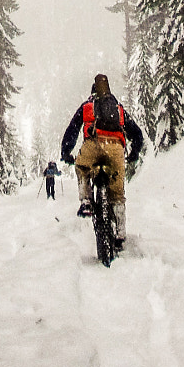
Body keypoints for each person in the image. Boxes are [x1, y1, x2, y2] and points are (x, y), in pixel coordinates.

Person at [59, 73, 145, 246]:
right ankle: (120, 233)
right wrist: (134, 153)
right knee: (118, 194)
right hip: (116, 149)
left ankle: (86, 201)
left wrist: (66, 152)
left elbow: (72, 131)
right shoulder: (118, 108)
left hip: (94, 144)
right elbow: (137, 134)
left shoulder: (87, 106)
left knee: (82, 167)